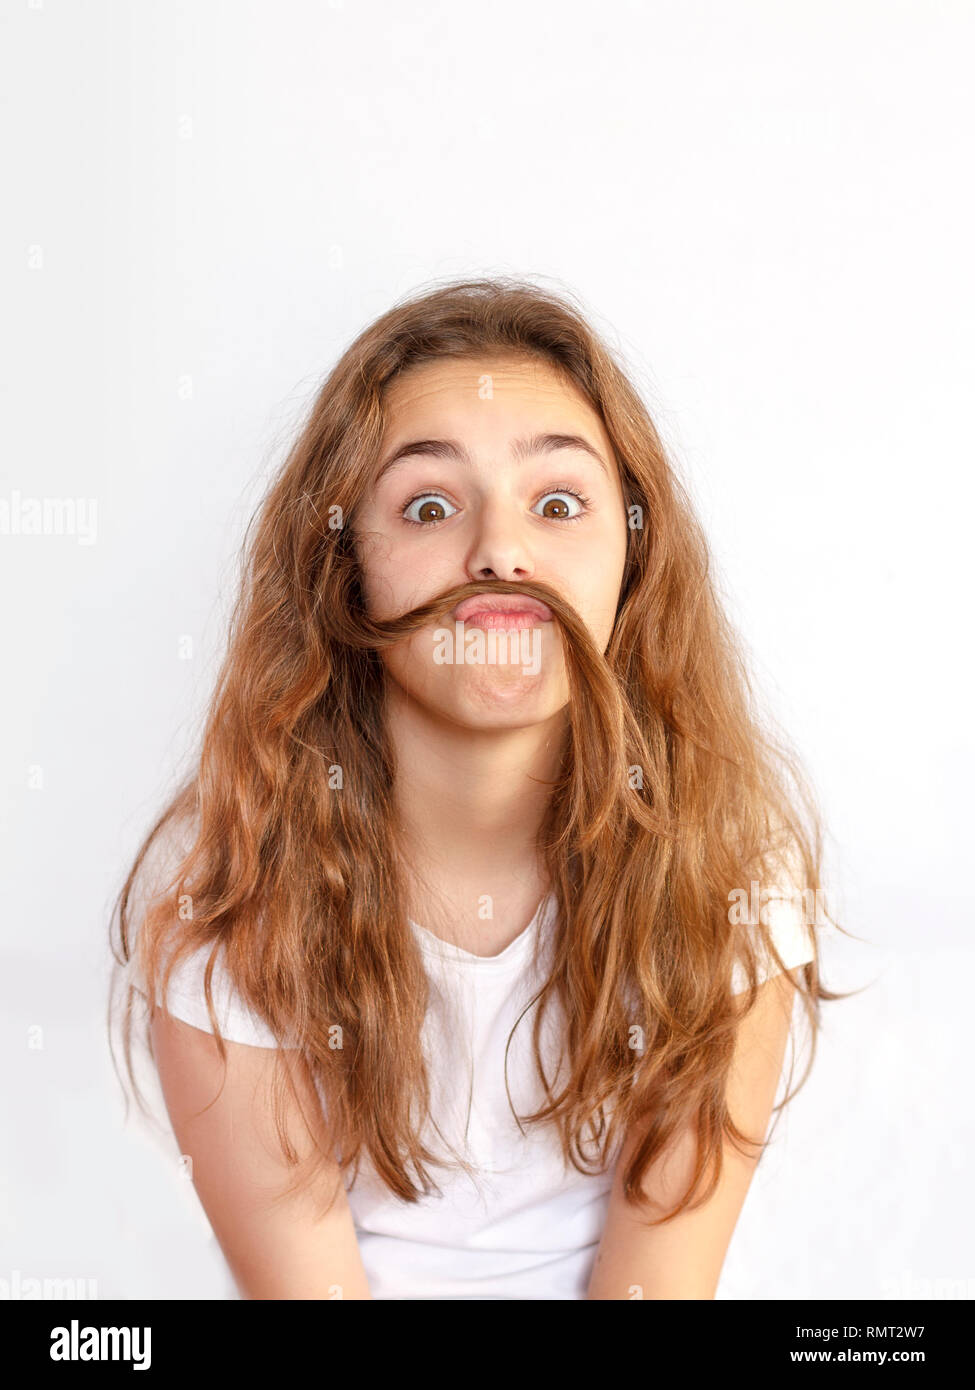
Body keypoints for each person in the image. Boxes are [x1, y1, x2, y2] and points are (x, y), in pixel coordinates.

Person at [109, 275, 847, 1300]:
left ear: (634, 556)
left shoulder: (728, 878)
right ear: (344, 570)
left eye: (557, 503)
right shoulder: (225, 909)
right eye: (428, 505)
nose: (501, 551)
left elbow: (660, 1287)